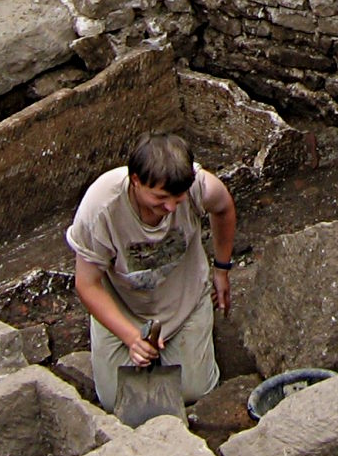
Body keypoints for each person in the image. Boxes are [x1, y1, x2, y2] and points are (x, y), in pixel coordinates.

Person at [68, 132, 236, 413]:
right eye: (160, 199)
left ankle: (188, 338)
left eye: (178, 198)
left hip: (183, 301)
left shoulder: (200, 187)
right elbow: (87, 284)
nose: (170, 207)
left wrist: (222, 268)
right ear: (136, 180)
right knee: (115, 400)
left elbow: (223, 208)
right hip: (124, 306)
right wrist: (131, 337)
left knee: (195, 390)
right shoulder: (100, 208)